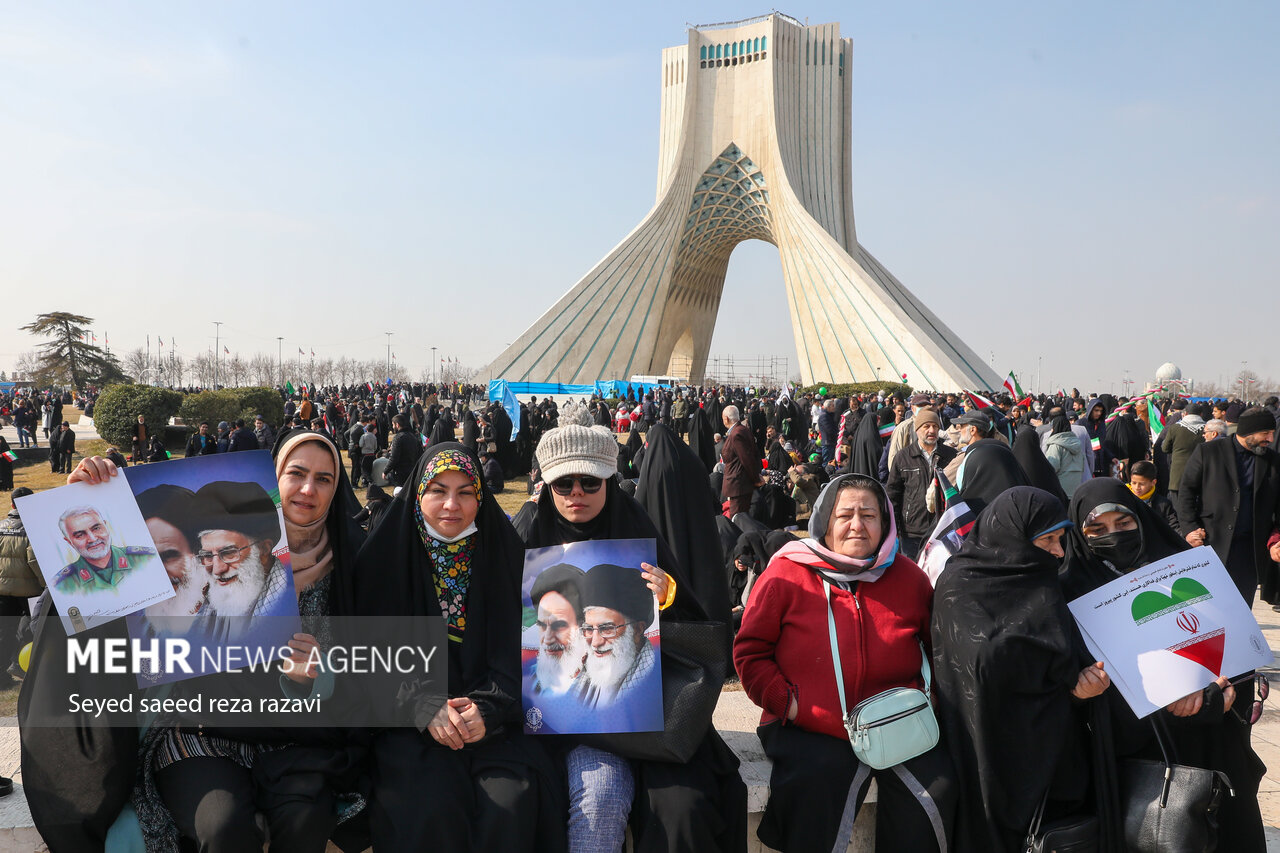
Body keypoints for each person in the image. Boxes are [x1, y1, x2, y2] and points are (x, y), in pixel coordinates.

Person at [513, 418, 745, 853]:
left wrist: (667, 599)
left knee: (684, 808)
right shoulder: (527, 533)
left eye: (589, 481)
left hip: (647, 719)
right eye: (563, 484)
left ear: (610, 482)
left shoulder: (635, 527)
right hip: (556, 722)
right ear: (547, 486)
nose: (576, 493)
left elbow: (695, 632)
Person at [352, 443, 567, 851]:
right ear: (416, 494)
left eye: (466, 491)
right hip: (409, 727)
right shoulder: (383, 560)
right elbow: (366, 660)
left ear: (481, 497)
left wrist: (488, 708)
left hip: (495, 723)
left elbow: (529, 653)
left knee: (512, 801)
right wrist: (420, 704)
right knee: (429, 807)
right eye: (438, 490)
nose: (452, 504)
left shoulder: (507, 558)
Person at [734, 473, 956, 852]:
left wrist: (930, 697)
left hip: (895, 724)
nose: (857, 525)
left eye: (869, 515)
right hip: (808, 727)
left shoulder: (909, 577)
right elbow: (749, 652)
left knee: (936, 789)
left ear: (885, 523)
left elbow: (939, 649)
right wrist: (789, 703)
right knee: (819, 784)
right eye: (845, 515)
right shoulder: (786, 574)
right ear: (824, 522)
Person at [1060, 477, 1264, 852]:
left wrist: (1215, 694)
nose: (1114, 535)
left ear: (1141, 518)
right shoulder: (1071, 588)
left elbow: (1235, 653)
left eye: (1123, 523)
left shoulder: (1183, 569)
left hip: (1206, 743)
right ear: (1080, 533)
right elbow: (1069, 678)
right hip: (1132, 753)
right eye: (1097, 529)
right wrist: (1083, 690)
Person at [931, 487, 1082, 852]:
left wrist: (1081, 680)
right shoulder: (958, 585)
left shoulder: (1043, 580)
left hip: (1049, 750)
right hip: (983, 749)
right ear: (1013, 535)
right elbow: (977, 667)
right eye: (1048, 540)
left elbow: (1072, 657)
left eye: (1061, 540)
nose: (1059, 553)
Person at [1176, 406, 1280, 606]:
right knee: (1206, 607)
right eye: (1265, 433)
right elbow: (1187, 492)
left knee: (1240, 608)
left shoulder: (1274, 462)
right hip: (1211, 544)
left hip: (1249, 551)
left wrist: (1276, 538)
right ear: (1248, 432)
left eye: (1272, 433)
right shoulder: (1209, 452)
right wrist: (1189, 528)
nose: (1270, 439)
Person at [887, 407, 956, 558]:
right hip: (912, 532)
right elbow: (893, 496)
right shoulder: (903, 457)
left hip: (943, 529)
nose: (931, 430)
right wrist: (895, 531)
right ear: (917, 430)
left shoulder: (951, 456)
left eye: (935, 426)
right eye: (926, 426)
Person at [51, 505, 155, 594]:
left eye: (96, 528)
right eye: (80, 535)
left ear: (106, 526)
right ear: (69, 542)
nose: (92, 539)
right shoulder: (62, 585)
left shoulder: (146, 558)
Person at [0, 487, 43, 688]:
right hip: (28, 591)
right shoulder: (33, 528)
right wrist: (46, 587)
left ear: (11, 505)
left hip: (2, 592)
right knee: (28, 631)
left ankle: (2, 677)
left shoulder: (1, 526)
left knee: (4, 633)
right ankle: (21, 665)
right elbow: (34, 561)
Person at [721, 404, 762, 517]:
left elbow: (747, 459)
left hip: (739, 483)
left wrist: (756, 478)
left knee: (738, 518)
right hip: (741, 483)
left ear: (726, 419)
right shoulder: (743, 430)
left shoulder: (736, 434)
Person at [1127, 459, 1178, 531]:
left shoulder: (1163, 505)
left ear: (1153, 482)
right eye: (1134, 483)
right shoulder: (1124, 499)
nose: (1137, 487)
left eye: (1142, 484)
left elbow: (1174, 527)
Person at [1044, 414, 1086, 499]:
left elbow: (1051, 467)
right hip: (1076, 488)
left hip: (1060, 490)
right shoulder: (1077, 444)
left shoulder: (1056, 445)